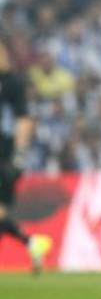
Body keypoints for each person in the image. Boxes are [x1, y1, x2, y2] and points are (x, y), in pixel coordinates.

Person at [0, 37, 51, 273]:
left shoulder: (13, 83)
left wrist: (19, 155)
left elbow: (24, 120)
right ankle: (31, 243)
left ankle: (30, 243)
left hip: (4, 156)